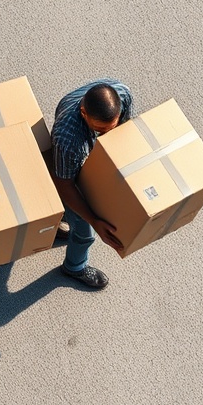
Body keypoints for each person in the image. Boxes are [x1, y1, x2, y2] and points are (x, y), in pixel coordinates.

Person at [51, 79, 136, 288]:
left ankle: (57, 223)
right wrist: (94, 221)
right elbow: (65, 185)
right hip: (67, 170)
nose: (105, 134)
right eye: (99, 129)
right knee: (84, 231)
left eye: (110, 128)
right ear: (83, 113)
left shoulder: (122, 93)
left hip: (77, 154)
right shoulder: (68, 141)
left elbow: (125, 127)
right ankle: (74, 267)